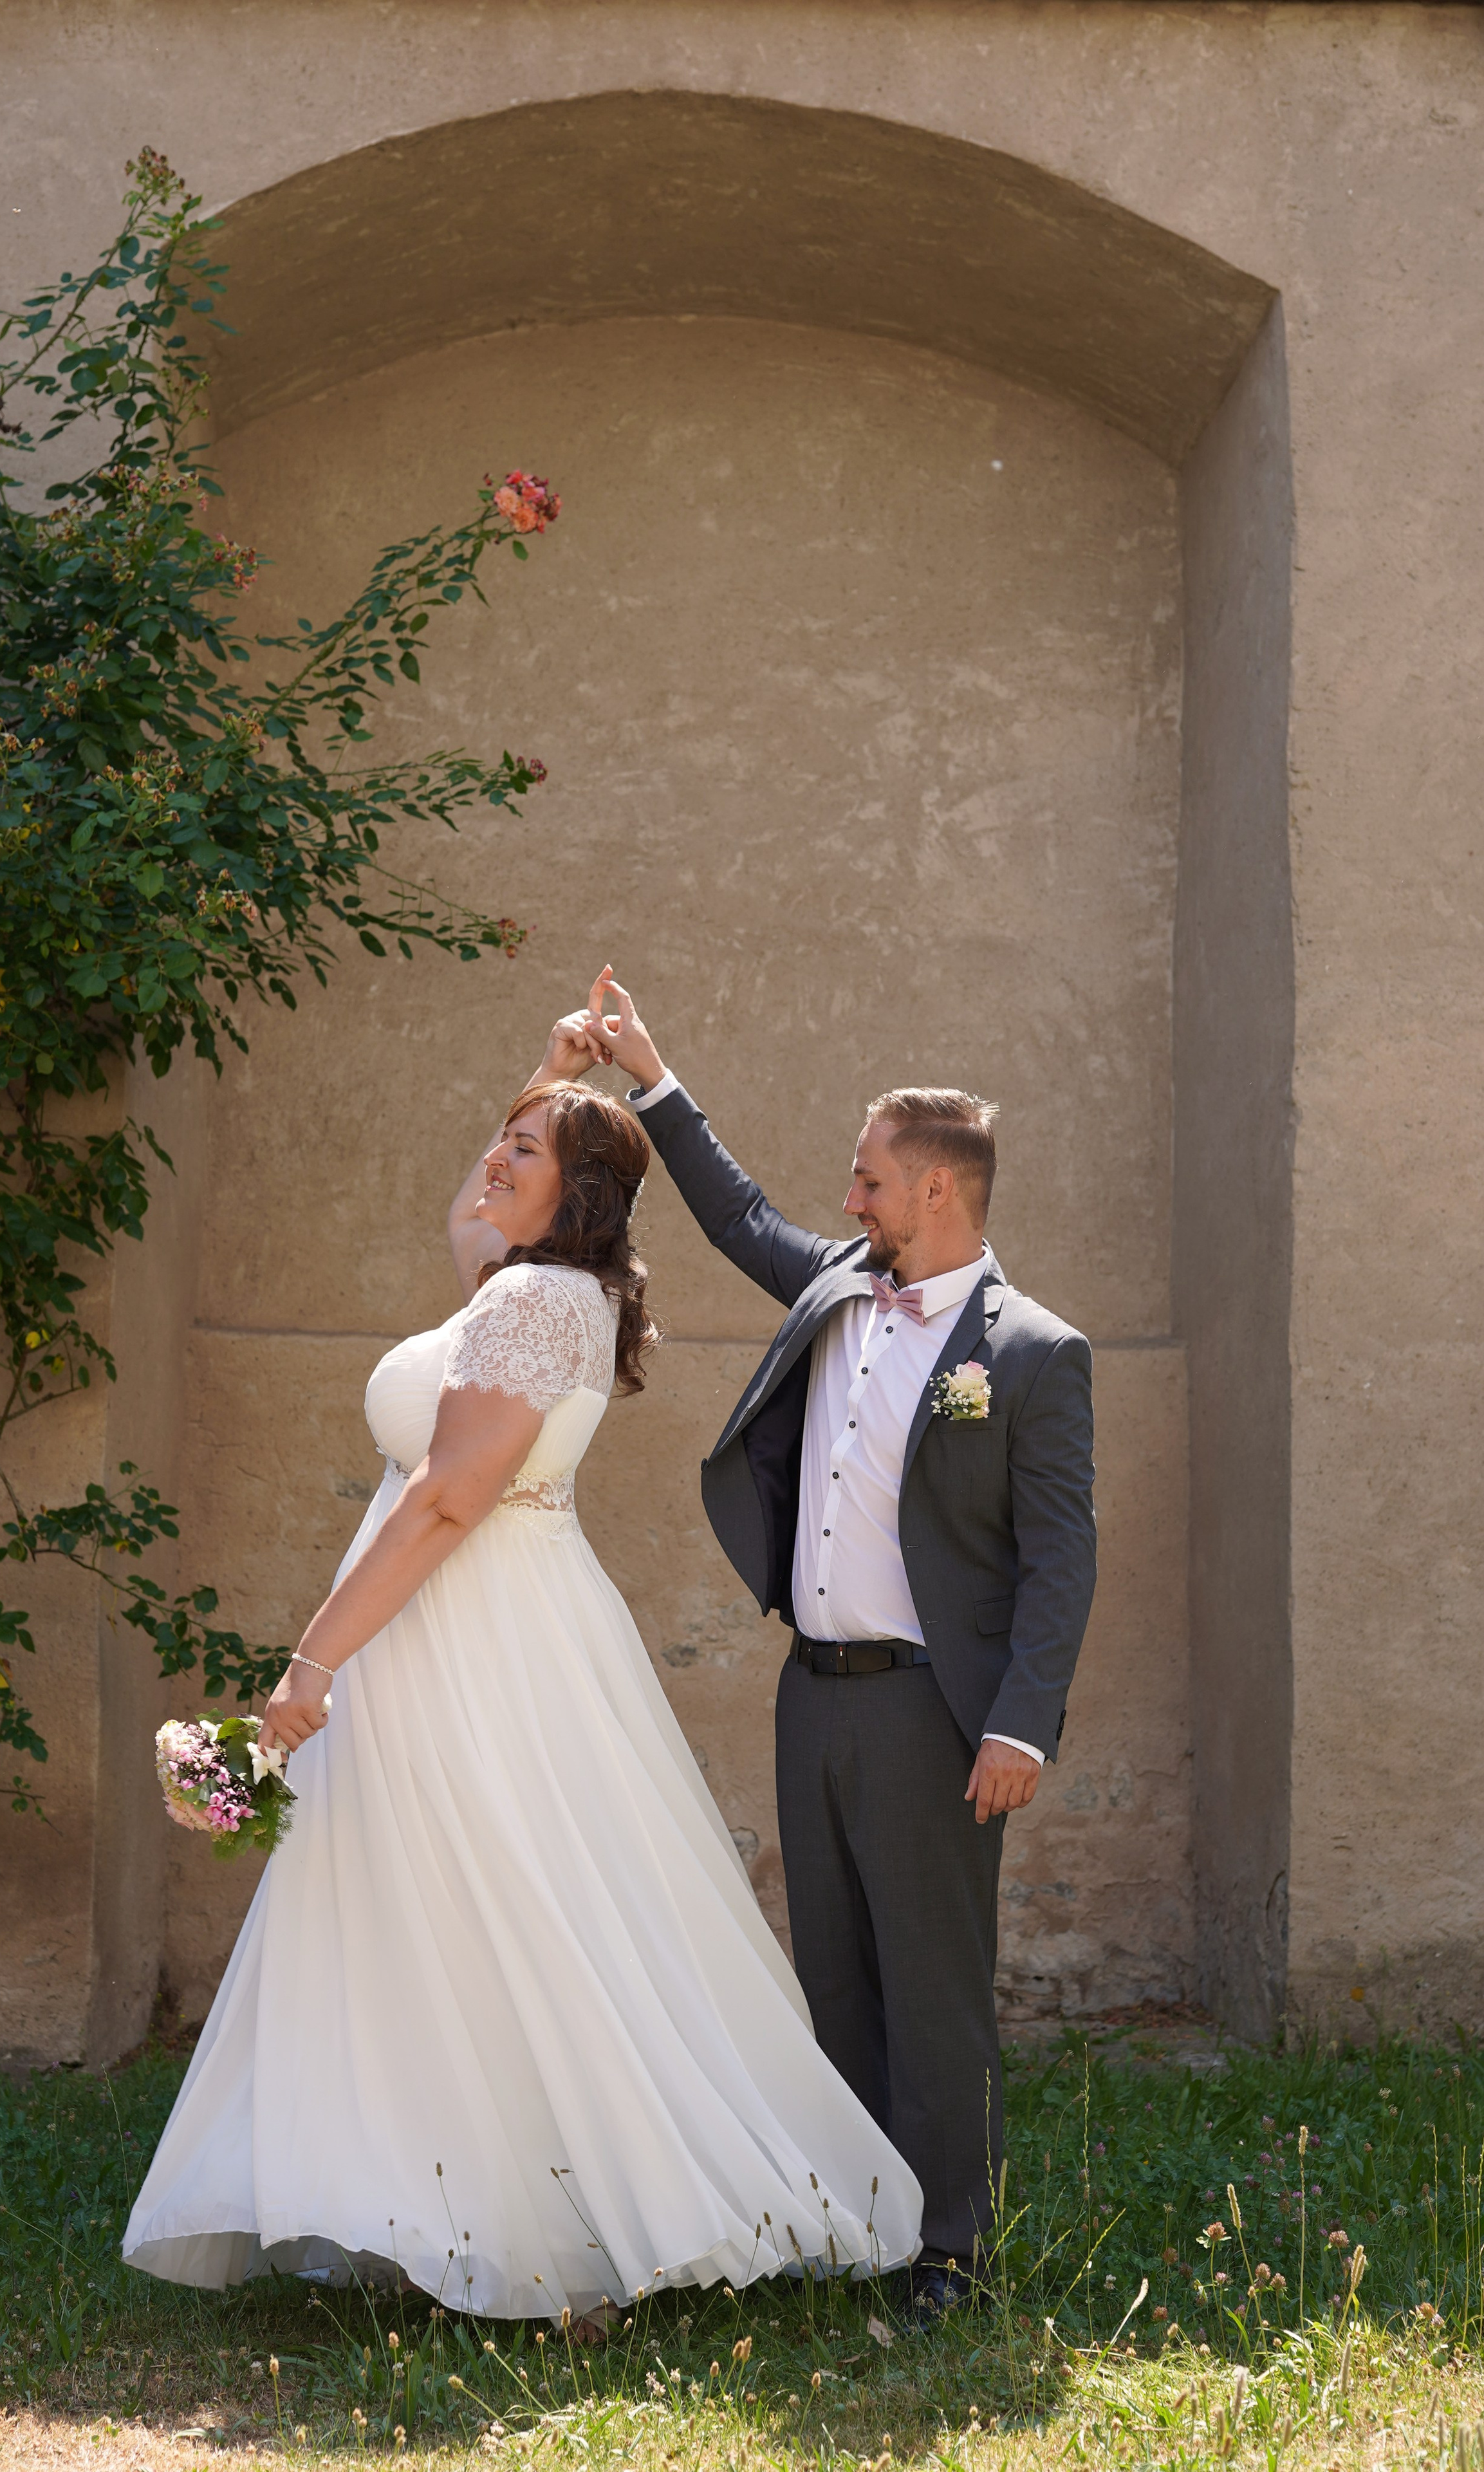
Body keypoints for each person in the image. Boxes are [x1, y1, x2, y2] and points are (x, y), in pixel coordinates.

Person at [122, 1037, 923, 2318]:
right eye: (500, 1136)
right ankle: (438, 2193)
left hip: (467, 1635)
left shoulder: (532, 1303)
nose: (493, 1159)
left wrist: (311, 1661)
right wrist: (544, 1082)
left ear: (584, 1193)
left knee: (501, 1899)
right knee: (436, 1902)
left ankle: (554, 2223)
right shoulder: (536, 1287)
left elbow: (445, 1498)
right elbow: (464, 1217)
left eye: (525, 1149)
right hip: (459, 1620)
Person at [561, 969, 1097, 2314]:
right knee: (836, 1978)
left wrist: (1018, 1723)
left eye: (867, 1181)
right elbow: (741, 1216)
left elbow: (1059, 1560)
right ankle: (856, 2224)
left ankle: (949, 2249)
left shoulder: (1031, 1354)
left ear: (936, 1192)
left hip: (935, 1715)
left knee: (934, 1988)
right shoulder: (835, 1289)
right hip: (814, 1694)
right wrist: (653, 1078)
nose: (846, 1200)